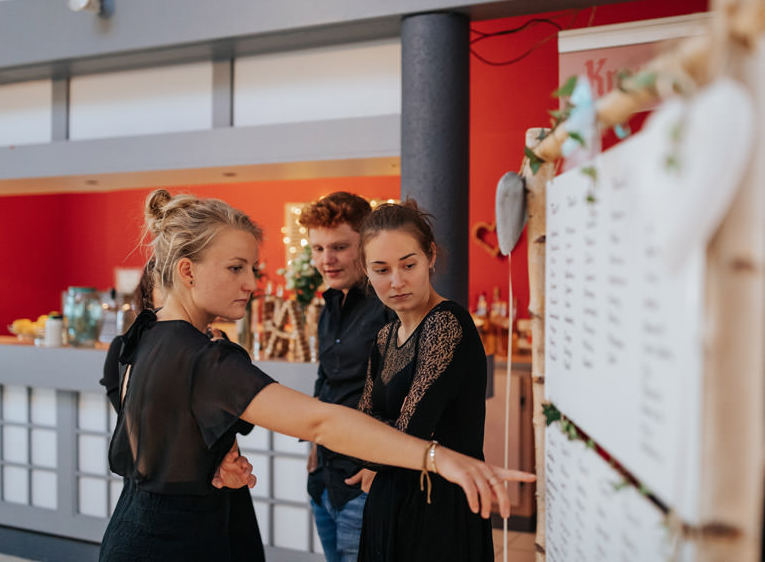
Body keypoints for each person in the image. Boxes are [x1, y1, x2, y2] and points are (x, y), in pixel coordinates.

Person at [98, 189, 533, 562]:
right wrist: (440, 457)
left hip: (131, 530)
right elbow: (321, 421)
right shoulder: (207, 359)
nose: (251, 283)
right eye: (236, 268)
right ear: (188, 271)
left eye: (252, 268)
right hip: (182, 542)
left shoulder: (139, 338)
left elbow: (150, 419)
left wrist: (209, 458)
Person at [355, 200, 495, 561]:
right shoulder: (386, 337)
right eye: (381, 269)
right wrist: (372, 439)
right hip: (391, 501)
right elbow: (362, 425)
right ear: (366, 271)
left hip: (438, 506)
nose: (397, 281)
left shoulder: (445, 324)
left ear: (430, 256)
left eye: (409, 264)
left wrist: (373, 439)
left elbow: (408, 433)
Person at [100, 259, 266, 560]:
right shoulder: (132, 348)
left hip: (224, 496)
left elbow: (242, 423)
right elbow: (145, 423)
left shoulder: (215, 350)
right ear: (150, 296)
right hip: (159, 499)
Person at [298, 192, 394, 562]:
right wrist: (313, 445)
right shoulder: (329, 305)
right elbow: (327, 381)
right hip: (324, 478)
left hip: (364, 484)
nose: (327, 260)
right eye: (318, 248)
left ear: (366, 244)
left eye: (339, 247)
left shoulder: (389, 305)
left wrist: (378, 465)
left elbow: (408, 396)